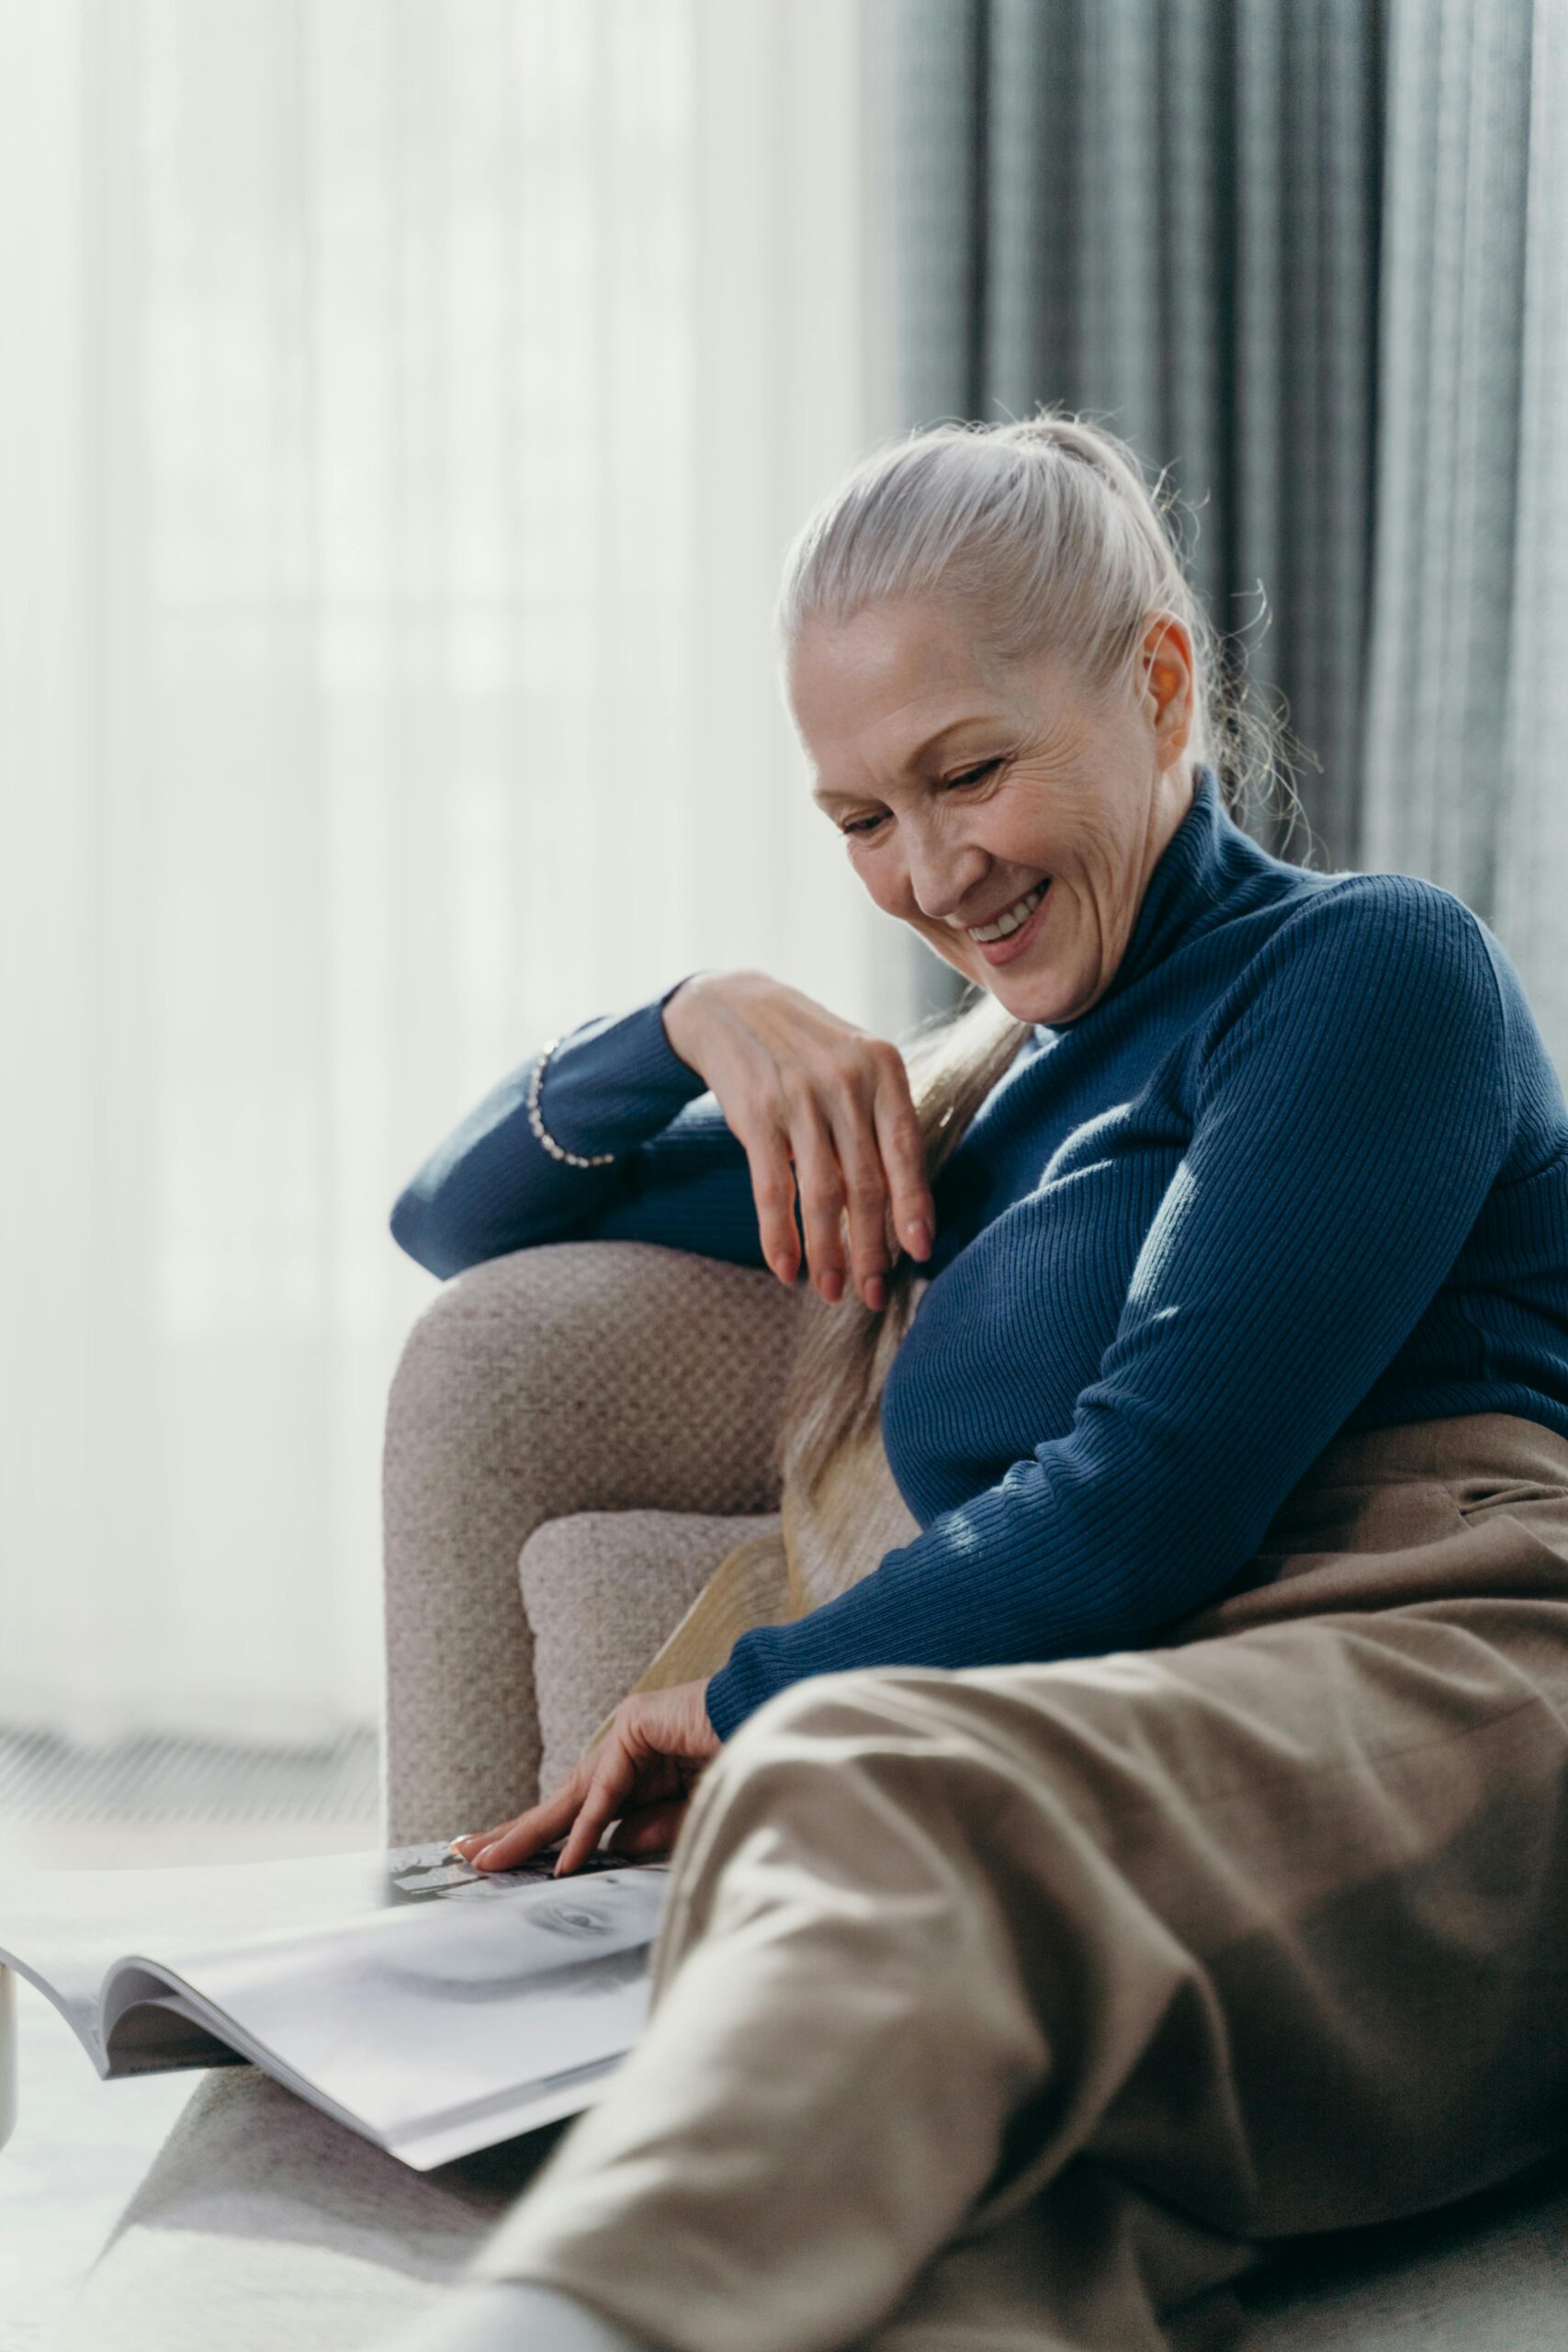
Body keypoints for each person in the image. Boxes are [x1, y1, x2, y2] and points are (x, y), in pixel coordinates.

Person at [378, 412, 1568, 2352]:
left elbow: (1140, 1503)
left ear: (1156, 684)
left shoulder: (1366, 970)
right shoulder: (956, 1116)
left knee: (849, 1769)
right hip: (1122, 1762)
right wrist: (689, 1014)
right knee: (974, 2248)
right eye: (856, 818)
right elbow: (456, 1220)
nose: (929, 872)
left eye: (969, 771)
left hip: (1434, 1684)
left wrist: (746, 1693)